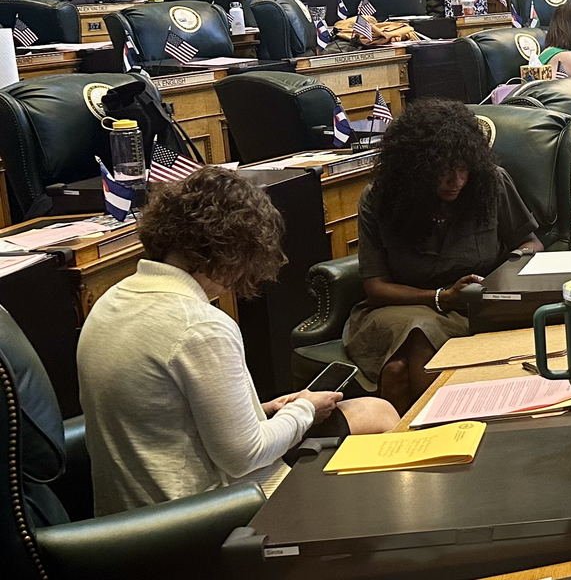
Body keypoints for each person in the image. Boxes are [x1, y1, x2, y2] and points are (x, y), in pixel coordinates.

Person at [78, 169, 398, 514]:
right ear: (233, 251)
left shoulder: (111, 300)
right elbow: (245, 456)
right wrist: (306, 409)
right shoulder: (200, 326)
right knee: (380, 441)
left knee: (375, 411)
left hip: (129, 514)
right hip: (203, 514)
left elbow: (164, 417)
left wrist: (263, 410)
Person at [345, 100, 544, 408]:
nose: (457, 181)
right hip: (403, 307)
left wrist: (496, 282)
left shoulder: (491, 182)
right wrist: (440, 297)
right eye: (444, 170)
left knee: (396, 371)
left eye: (464, 168)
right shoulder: (379, 198)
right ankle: (445, 425)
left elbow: (531, 244)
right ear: (417, 167)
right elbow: (376, 287)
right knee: (419, 330)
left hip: (473, 305)